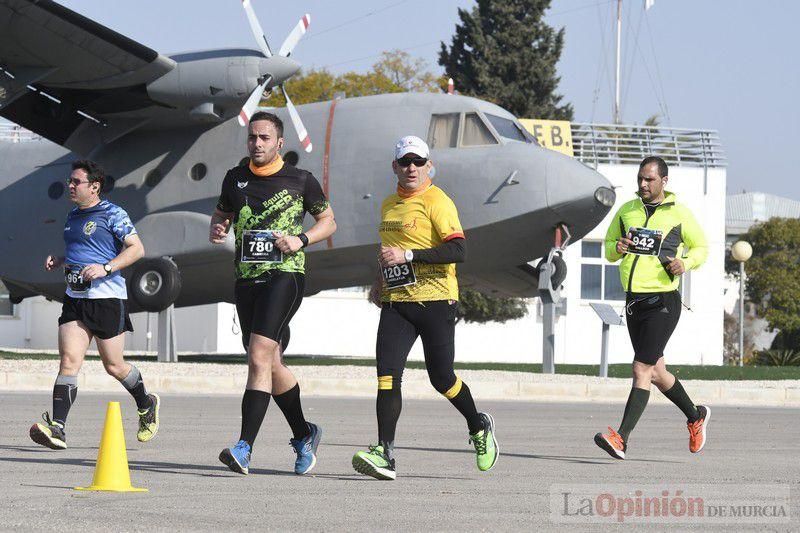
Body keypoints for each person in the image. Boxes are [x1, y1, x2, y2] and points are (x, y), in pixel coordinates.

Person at [351, 135, 498, 481]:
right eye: (405, 162)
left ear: (429, 165)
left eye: (418, 162)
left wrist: (409, 256)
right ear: (395, 167)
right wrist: (379, 280)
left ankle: (479, 426)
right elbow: (389, 249)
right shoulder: (389, 205)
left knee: (442, 379)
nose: (412, 168)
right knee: (387, 377)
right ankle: (385, 453)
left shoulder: (438, 201)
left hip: (436, 302)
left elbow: (458, 251)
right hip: (397, 303)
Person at [210, 111, 336, 475]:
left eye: (265, 138)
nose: (257, 143)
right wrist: (218, 229)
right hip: (246, 278)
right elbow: (221, 217)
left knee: (259, 353)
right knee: (269, 362)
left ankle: (244, 447)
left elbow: (329, 222)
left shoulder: (301, 180)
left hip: (285, 274)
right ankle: (304, 434)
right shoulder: (235, 179)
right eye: (252, 137)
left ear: (280, 142)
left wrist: (301, 239)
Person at [30, 160, 159, 449]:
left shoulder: (114, 214)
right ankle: (58, 428)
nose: (71, 186)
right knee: (68, 361)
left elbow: (137, 249)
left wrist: (107, 267)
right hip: (75, 299)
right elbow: (83, 250)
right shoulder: (73, 215)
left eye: (77, 182)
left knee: (113, 366)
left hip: (107, 300)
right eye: (70, 181)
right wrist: (61, 260)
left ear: (95, 186)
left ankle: (146, 403)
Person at [594, 156, 710, 459]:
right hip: (634, 302)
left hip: (663, 301)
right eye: (641, 179)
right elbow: (607, 248)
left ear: (664, 181)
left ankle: (621, 438)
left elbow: (702, 247)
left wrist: (685, 262)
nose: (643, 184)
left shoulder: (680, 214)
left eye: (650, 179)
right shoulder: (626, 211)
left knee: (641, 368)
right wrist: (616, 249)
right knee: (657, 371)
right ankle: (695, 415)